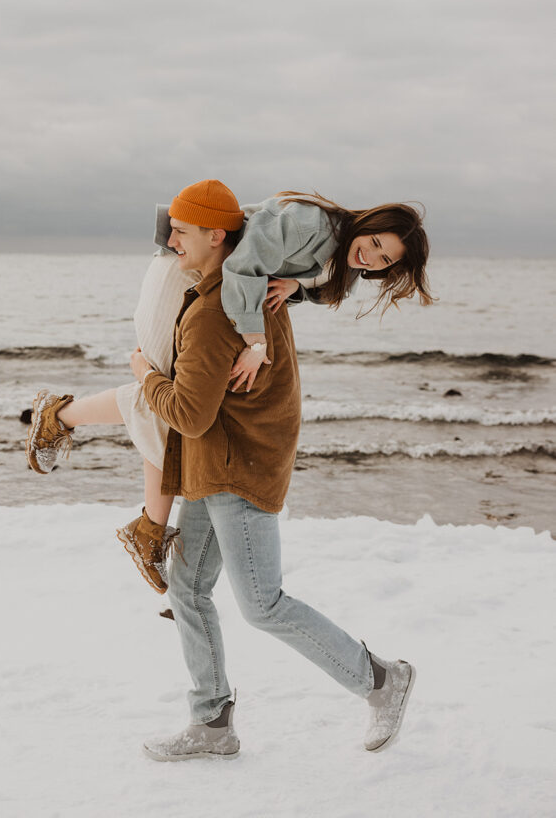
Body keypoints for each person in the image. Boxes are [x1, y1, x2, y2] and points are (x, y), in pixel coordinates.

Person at [26, 180, 432, 594]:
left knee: (165, 397)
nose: (373, 257)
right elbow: (242, 266)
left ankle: (127, 500)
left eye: (385, 260)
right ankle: (128, 503)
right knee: (167, 398)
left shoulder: (343, 262)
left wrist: (295, 287)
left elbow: (324, 289)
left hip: (214, 281)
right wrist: (257, 342)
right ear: (367, 221)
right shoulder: (310, 223)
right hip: (182, 270)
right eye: (376, 241)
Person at [129, 187, 415, 759]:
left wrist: (144, 376)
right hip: (216, 464)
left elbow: (188, 410)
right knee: (187, 588)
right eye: (377, 248)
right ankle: (212, 723)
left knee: (262, 604)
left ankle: (382, 681)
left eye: (179, 233)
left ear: (217, 237)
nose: (166, 241)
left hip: (241, 464)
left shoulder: (221, 307)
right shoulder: (245, 287)